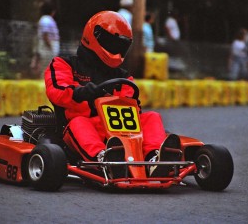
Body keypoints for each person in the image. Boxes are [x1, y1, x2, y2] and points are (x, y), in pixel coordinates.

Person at [44, 11, 181, 177]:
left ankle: (154, 159)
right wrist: (82, 92)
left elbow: (133, 109)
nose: (117, 49)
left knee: (152, 117)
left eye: (121, 46)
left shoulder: (123, 76)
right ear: (96, 36)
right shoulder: (64, 64)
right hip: (79, 131)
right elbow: (56, 91)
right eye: (112, 43)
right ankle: (103, 160)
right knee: (79, 122)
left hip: (119, 133)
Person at [37, 3, 60, 78]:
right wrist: (50, 46)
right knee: (47, 67)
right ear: (52, 11)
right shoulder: (46, 19)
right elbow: (45, 34)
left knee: (49, 67)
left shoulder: (47, 19)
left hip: (49, 46)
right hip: (47, 47)